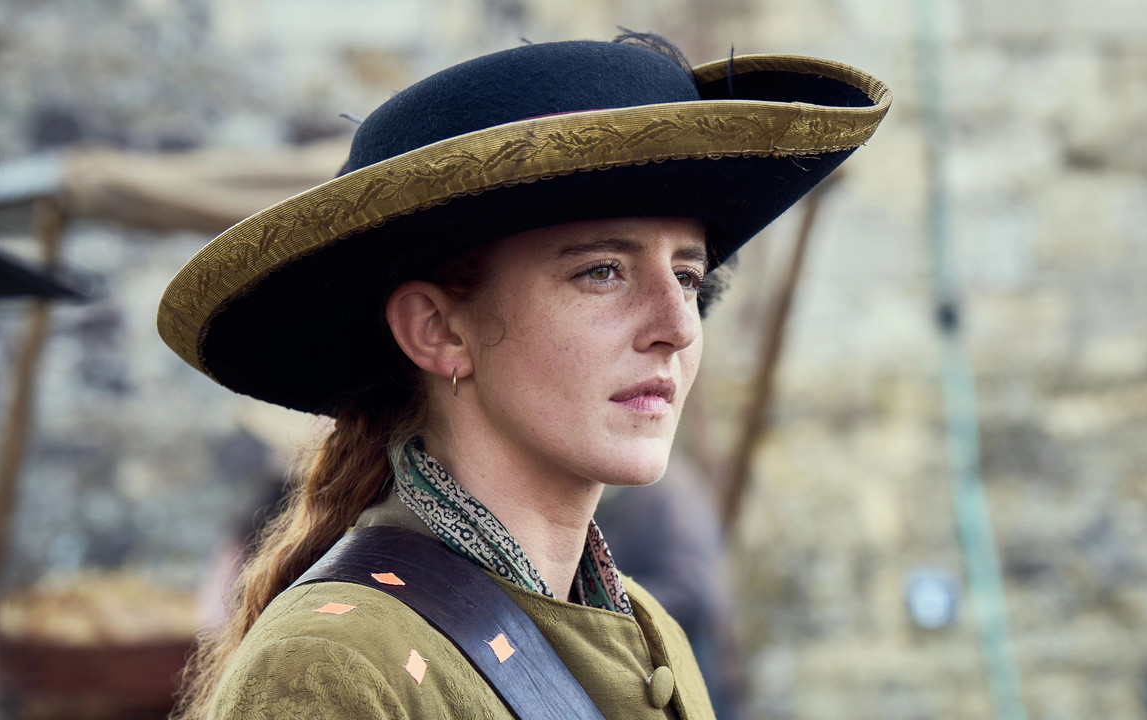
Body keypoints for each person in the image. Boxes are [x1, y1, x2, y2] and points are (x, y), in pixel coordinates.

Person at [159, 33, 890, 720]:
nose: (678, 326)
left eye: (688, 276)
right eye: (602, 271)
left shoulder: (651, 631)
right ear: (439, 330)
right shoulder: (331, 667)